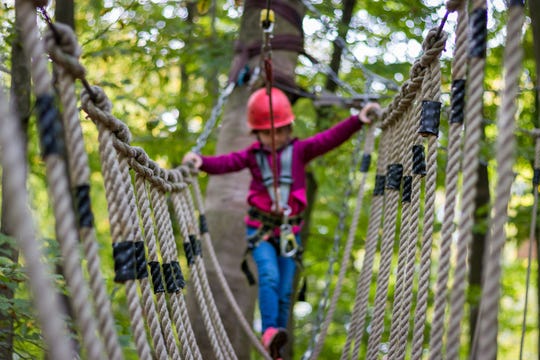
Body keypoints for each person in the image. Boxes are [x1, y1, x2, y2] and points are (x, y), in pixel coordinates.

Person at [183, 87, 375, 359]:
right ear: (257, 134)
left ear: (288, 128)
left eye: (280, 131)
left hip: (288, 232)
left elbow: (328, 139)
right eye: (267, 133)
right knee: (269, 276)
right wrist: (200, 162)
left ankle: (277, 347)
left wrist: (357, 120)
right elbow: (225, 163)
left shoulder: (300, 151)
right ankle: (270, 331)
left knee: (286, 290)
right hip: (260, 231)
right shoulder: (252, 156)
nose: (274, 138)